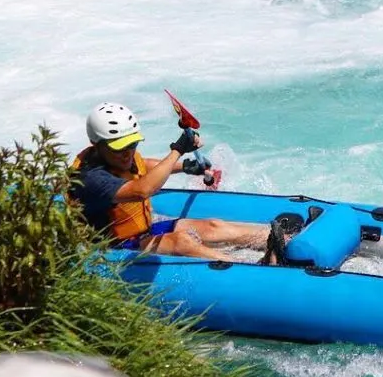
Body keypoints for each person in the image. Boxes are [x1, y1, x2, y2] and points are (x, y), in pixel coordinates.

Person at [70, 102, 287, 263]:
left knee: (212, 226)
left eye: (132, 144)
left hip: (143, 231)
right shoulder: (90, 178)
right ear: (96, 143)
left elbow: (143, 164)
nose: (128, 153)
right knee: (181, 241)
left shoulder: (118, 157)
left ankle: (283, 241)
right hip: (116, 247)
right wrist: (178, 150)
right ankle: (252, 268)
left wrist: (185, 166)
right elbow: (142, 190)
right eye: (120, 148)